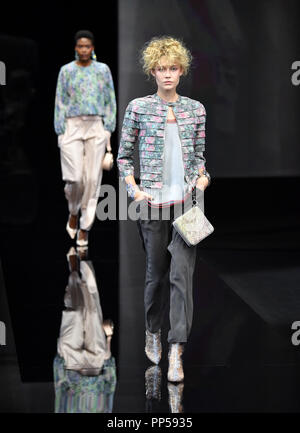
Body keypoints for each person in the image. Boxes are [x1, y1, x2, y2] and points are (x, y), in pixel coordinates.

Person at [117, 36, 211, 382]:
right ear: (152, 71)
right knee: (156, 275)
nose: (167, 74)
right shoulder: (138, 108)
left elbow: (199, 158)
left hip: (187, 204)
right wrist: (134, 191)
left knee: (181, 276)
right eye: (161, 68)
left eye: (173, 68)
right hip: (152, 203)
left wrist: (202, 179)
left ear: (181, 70)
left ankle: (176, 351)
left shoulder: (196, 109)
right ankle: (152, 330)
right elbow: (124, 157)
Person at [54, 30, 116, 246]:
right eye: (80, 46)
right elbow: (60, 100)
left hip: (96, 125)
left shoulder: (102, 70)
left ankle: (85, 227)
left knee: (92, 180)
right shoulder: (66, 71)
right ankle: (73, 210)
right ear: (75, 48)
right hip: (72, 125)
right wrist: (60, 130)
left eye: (87, 46)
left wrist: (108, 127)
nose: (83, 50)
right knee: (75, 178)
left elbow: (110, 99)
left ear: (92, 48)